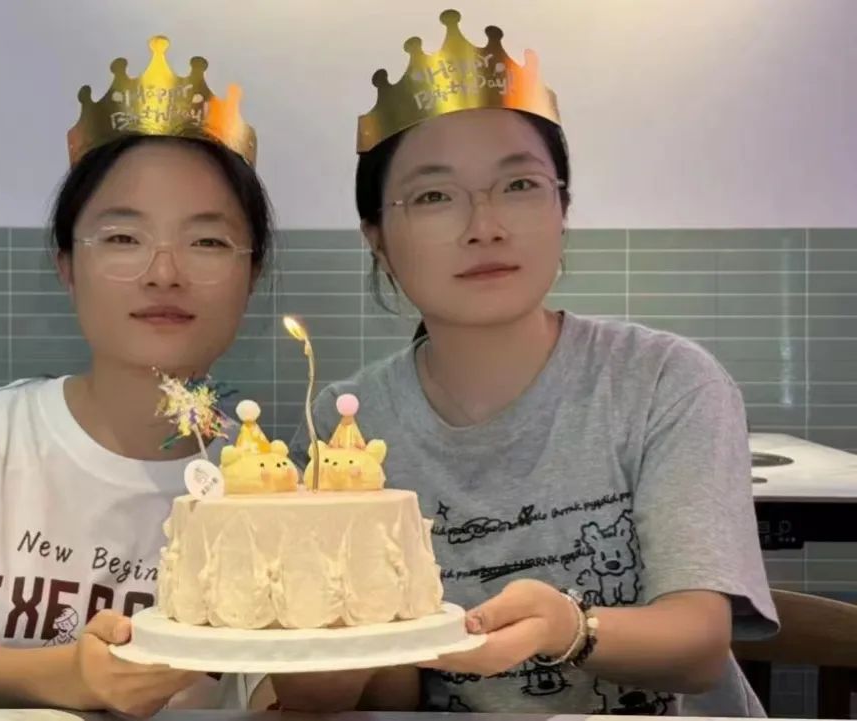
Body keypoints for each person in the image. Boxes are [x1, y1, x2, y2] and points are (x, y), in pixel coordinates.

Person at [287, 10, 778, 717]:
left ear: (561, 209)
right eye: (433, 196)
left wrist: (569, 629)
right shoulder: (343, 431)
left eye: (519, 185)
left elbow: (699, 646)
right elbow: (387, 689)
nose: (485, 226)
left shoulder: (663, 382)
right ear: (378, 239)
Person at [0, 35, 273, 717]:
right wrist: (74, 675)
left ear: (252, 273)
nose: (164, 272)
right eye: (122, 237)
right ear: (67, 264)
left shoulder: (267, 487)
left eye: (208, 240)